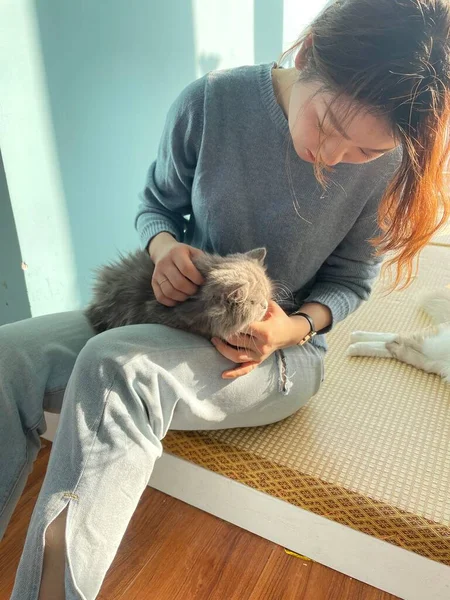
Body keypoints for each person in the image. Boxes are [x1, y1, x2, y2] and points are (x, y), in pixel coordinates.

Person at [2, 0, 450, 597]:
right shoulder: (212, 101)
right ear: (310, 51)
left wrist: (287, 330)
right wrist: (164, 250)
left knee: (116, 369)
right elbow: (157, 206)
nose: (335, 157)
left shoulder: (386, 164)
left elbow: (350, 283)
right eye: (329, 125)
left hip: (276, 354)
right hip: (176, 313)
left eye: (365, 152)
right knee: (10, 354)